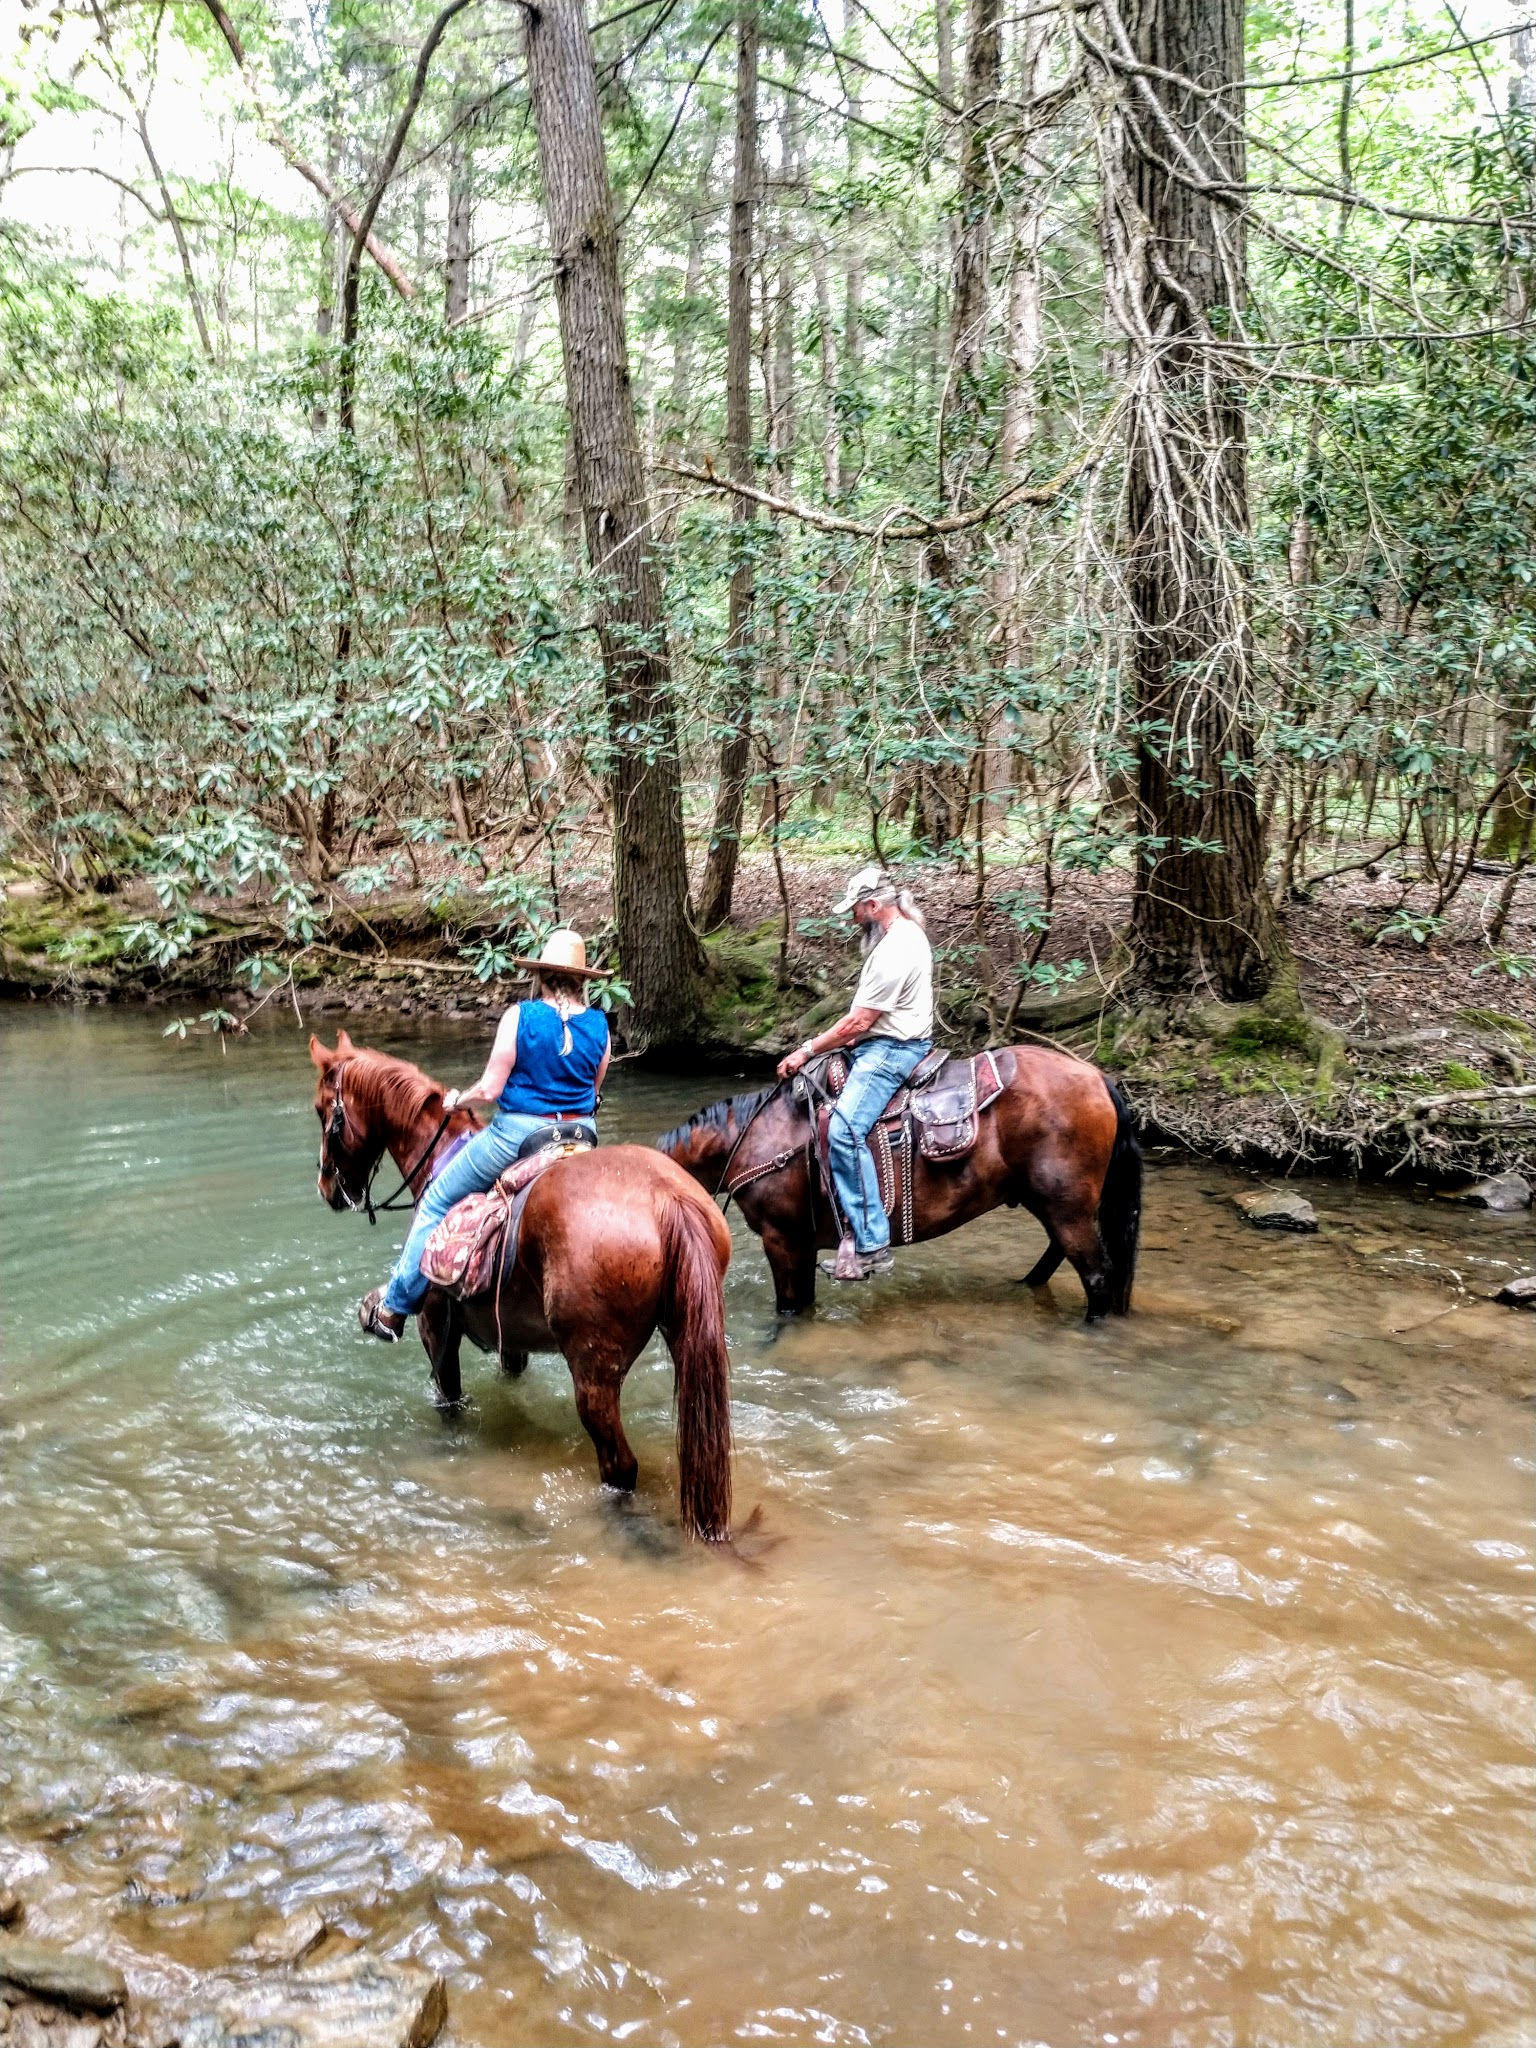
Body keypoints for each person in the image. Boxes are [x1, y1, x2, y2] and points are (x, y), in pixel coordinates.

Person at [357, 928, 612, 1340]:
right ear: (583, 980)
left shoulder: (521, 1016)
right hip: (582, 1138)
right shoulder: (600, 1025)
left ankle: (393, 1308)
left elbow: (491, 1090)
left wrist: (460, 1099)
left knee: (437, 1199)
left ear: (542, 975)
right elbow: (595, 1091)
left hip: (521, 1135)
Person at [777, 865, 934, 1282]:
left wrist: (806, 1050)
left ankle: (871, 1243)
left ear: (873, 905)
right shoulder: (900, 936)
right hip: (884, 1040)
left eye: (856, 911)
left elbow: (858, 1023)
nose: (851, 920)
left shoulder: (895, 949)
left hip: (892, 1048)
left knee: (844, 1130)